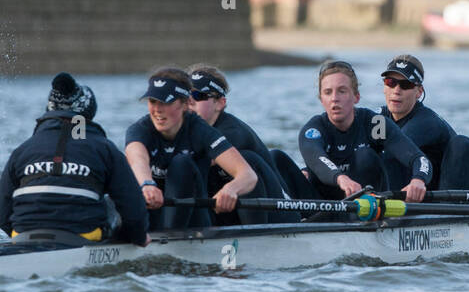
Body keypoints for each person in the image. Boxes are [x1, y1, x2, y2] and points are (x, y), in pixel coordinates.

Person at [0, 73, 148, 245]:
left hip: (23, 236)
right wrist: (137, 239)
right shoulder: (105, 148)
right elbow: (134, 209)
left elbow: (1, 215)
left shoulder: (22, 150)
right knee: (110, 202)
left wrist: (26, 234)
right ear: (88, 112)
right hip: (81, 237)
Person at [124, 67, 257, 230]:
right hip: (152, 212)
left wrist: (231, 189)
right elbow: (137, 159)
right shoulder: (140, 129)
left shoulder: (200, 130)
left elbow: (248, 175)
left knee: (181, 163)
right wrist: (146, 184)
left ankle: (169, 240)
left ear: (185, 104)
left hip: (195, 221)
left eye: (166, 102)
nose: (157, 109)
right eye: (153, 101)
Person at [292, 59, 432, 207]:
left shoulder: (373, 124)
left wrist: (419, 179)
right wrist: (340, 178)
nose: (334, 98)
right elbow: (316, 159)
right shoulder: (314, 130)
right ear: (321, 99)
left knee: (365, 155)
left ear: (356, 97)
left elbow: (419, 158)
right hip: (323, 210)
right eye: (328, 92)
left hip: (367, 210)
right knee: (277, 157)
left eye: (342, 91)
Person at [186, 63, 290, 224]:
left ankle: (256, 237)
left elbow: (193, 161)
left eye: (199, 96)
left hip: (279, 214)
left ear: (220, 103)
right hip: (231, 210)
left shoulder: (232, 132)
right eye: (185, 95)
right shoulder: (189, 131)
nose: (190, 101)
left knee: (246, 158)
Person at [377, 54, 469, 191]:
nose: (396, 90)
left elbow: (392, 153)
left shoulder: (426, 122)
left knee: (462, 142)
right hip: (410, 190)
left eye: (405, 85)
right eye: (391, 82)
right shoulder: (378, 117)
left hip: (445, 198)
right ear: (384, 87)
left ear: (419, 92)